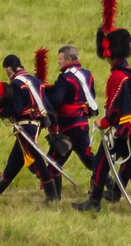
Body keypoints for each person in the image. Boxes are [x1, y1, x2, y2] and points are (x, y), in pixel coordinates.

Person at [82, 10, 131, 210]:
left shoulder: (117, 77)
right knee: (127, 165)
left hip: (122, 131)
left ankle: (94, 202)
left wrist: (102, 123)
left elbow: (116, 109)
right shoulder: (129, 73)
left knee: (103, 164)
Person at [0, 52, 65, 201]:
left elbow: (16, 108)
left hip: (26, 126)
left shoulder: (15, 84)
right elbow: (48, 105)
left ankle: (52, 196)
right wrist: (54, 128)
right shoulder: (35, 80)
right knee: (15, 160)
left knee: (36, 160)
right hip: (38, 124)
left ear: (8, 69)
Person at [47, 42, 101, 180]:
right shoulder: (87, 74)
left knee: (53, 161)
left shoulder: (65, 78)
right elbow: (92, 96)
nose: (58, 63)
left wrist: (46, 94)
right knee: (88, 159)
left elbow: (55, 100)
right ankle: (111, 184)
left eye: (60, 59)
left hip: (68, 126)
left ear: (68, 60)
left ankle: (54, 197)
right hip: (82, 124)